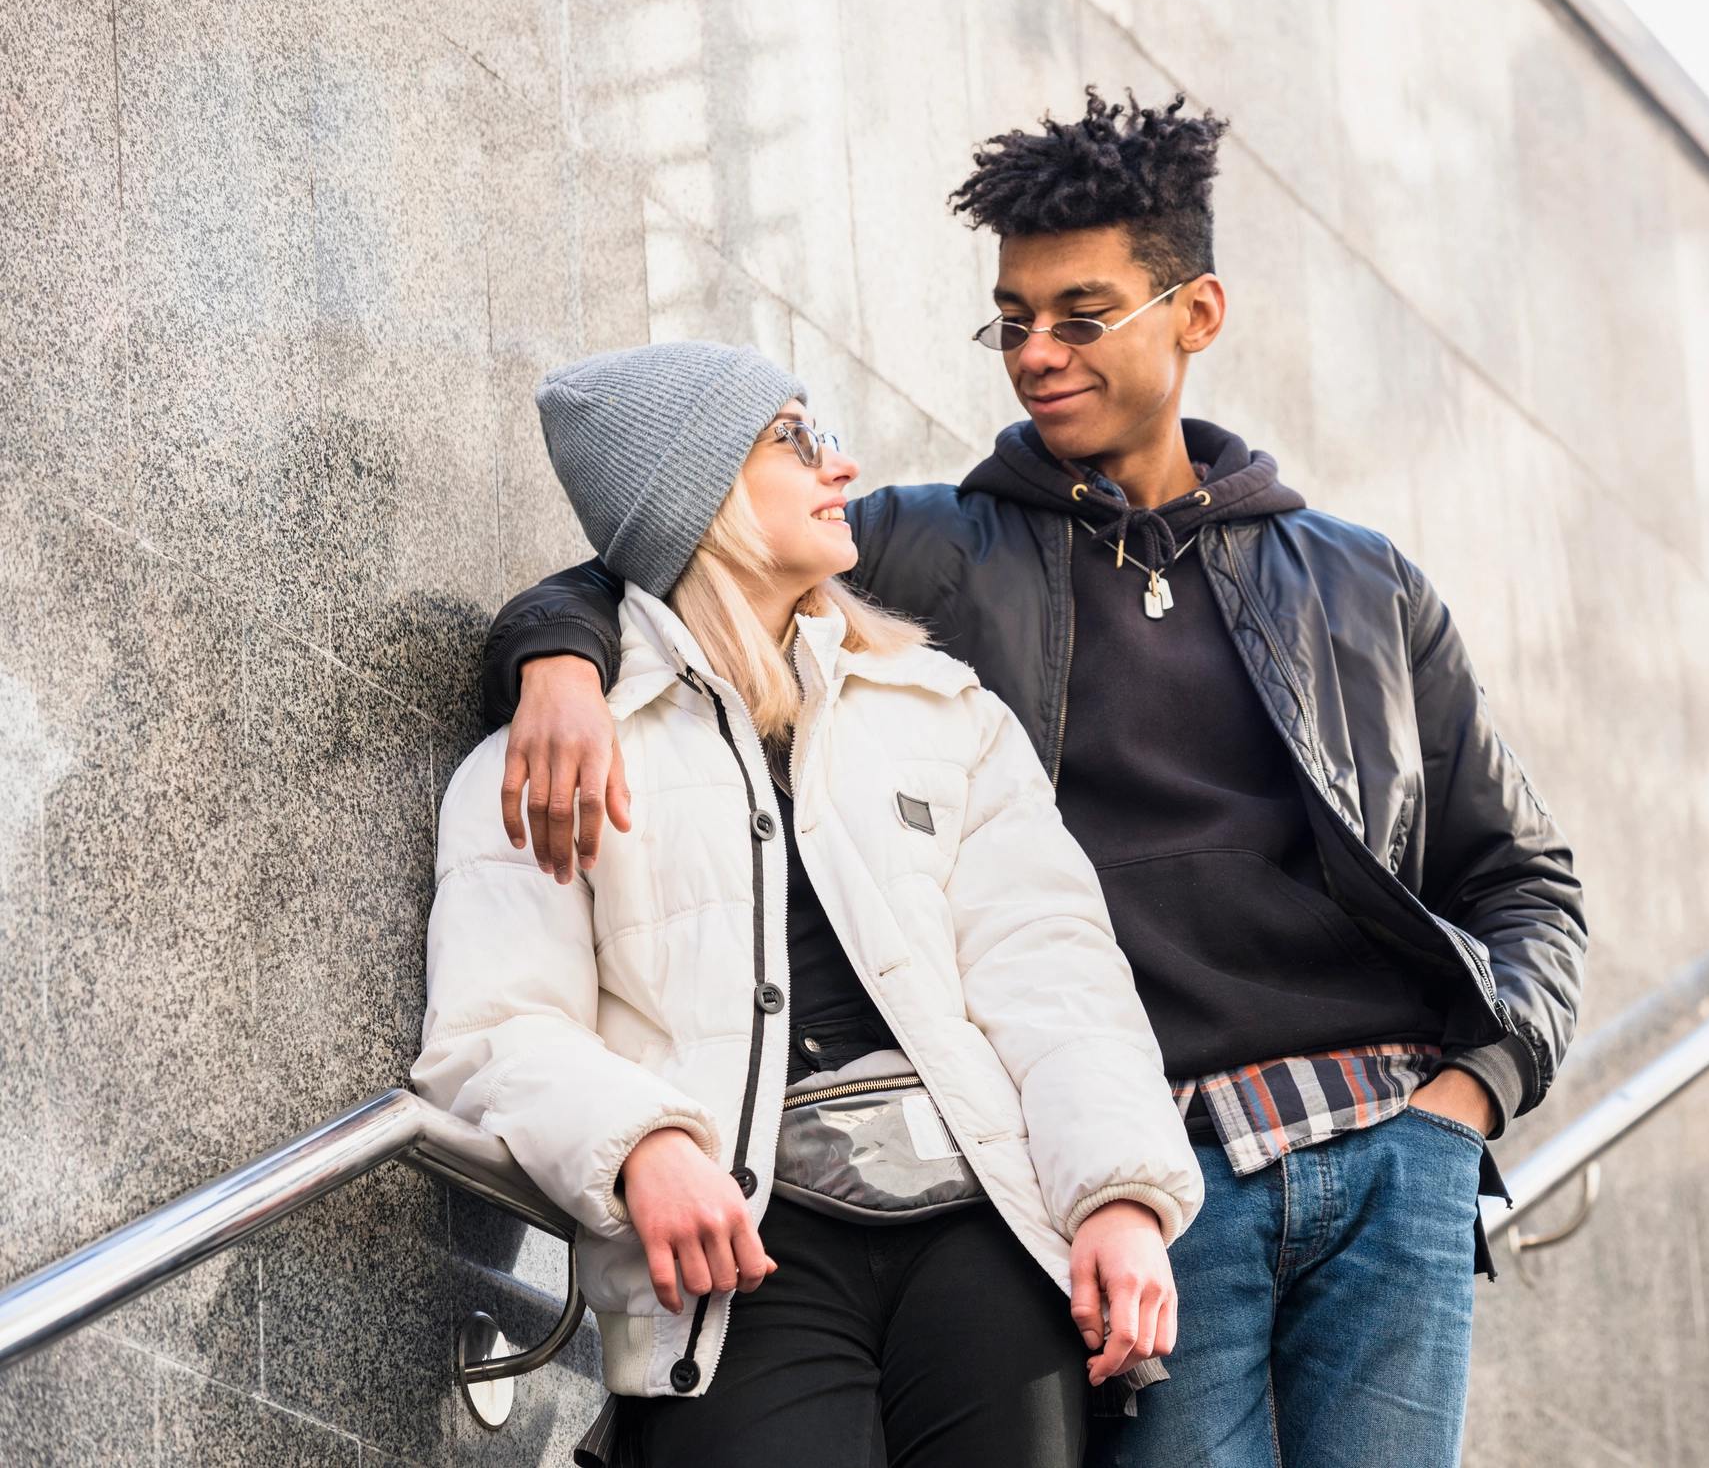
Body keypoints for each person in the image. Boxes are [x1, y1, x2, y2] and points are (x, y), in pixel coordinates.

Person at [476, 91, 1587, 1468]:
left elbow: (1522, 876)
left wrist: (1470, 1093)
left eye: (1080, 315)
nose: (1036, 354)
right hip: (1151, 1164)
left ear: (1196, 313)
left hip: (1388, 1140)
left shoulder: (1361, 584)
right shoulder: (927, 549)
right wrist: (555, 662)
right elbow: (664, 540)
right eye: (1011, 320)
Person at [416, 339, 1201, 1468]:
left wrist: (1119, 1193)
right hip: (728, 1259)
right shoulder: (547, 759)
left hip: (983, 1228)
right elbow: (493, 1030)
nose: (843, 466)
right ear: (695, 492)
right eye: (795, 439)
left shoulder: (946, 714)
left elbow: (1057, 974)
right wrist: (641, 1144)